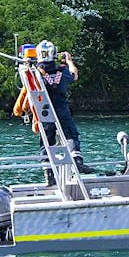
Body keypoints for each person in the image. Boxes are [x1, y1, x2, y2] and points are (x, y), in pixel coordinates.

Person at [36, 40, 94, 175]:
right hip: (61, 109)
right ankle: (77, 162)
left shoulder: (35, 73)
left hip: (44, 111)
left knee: (46, 142)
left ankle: (48, 174)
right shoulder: (61, 72)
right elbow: (75, 75)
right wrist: (69, 61)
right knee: (71, 135)